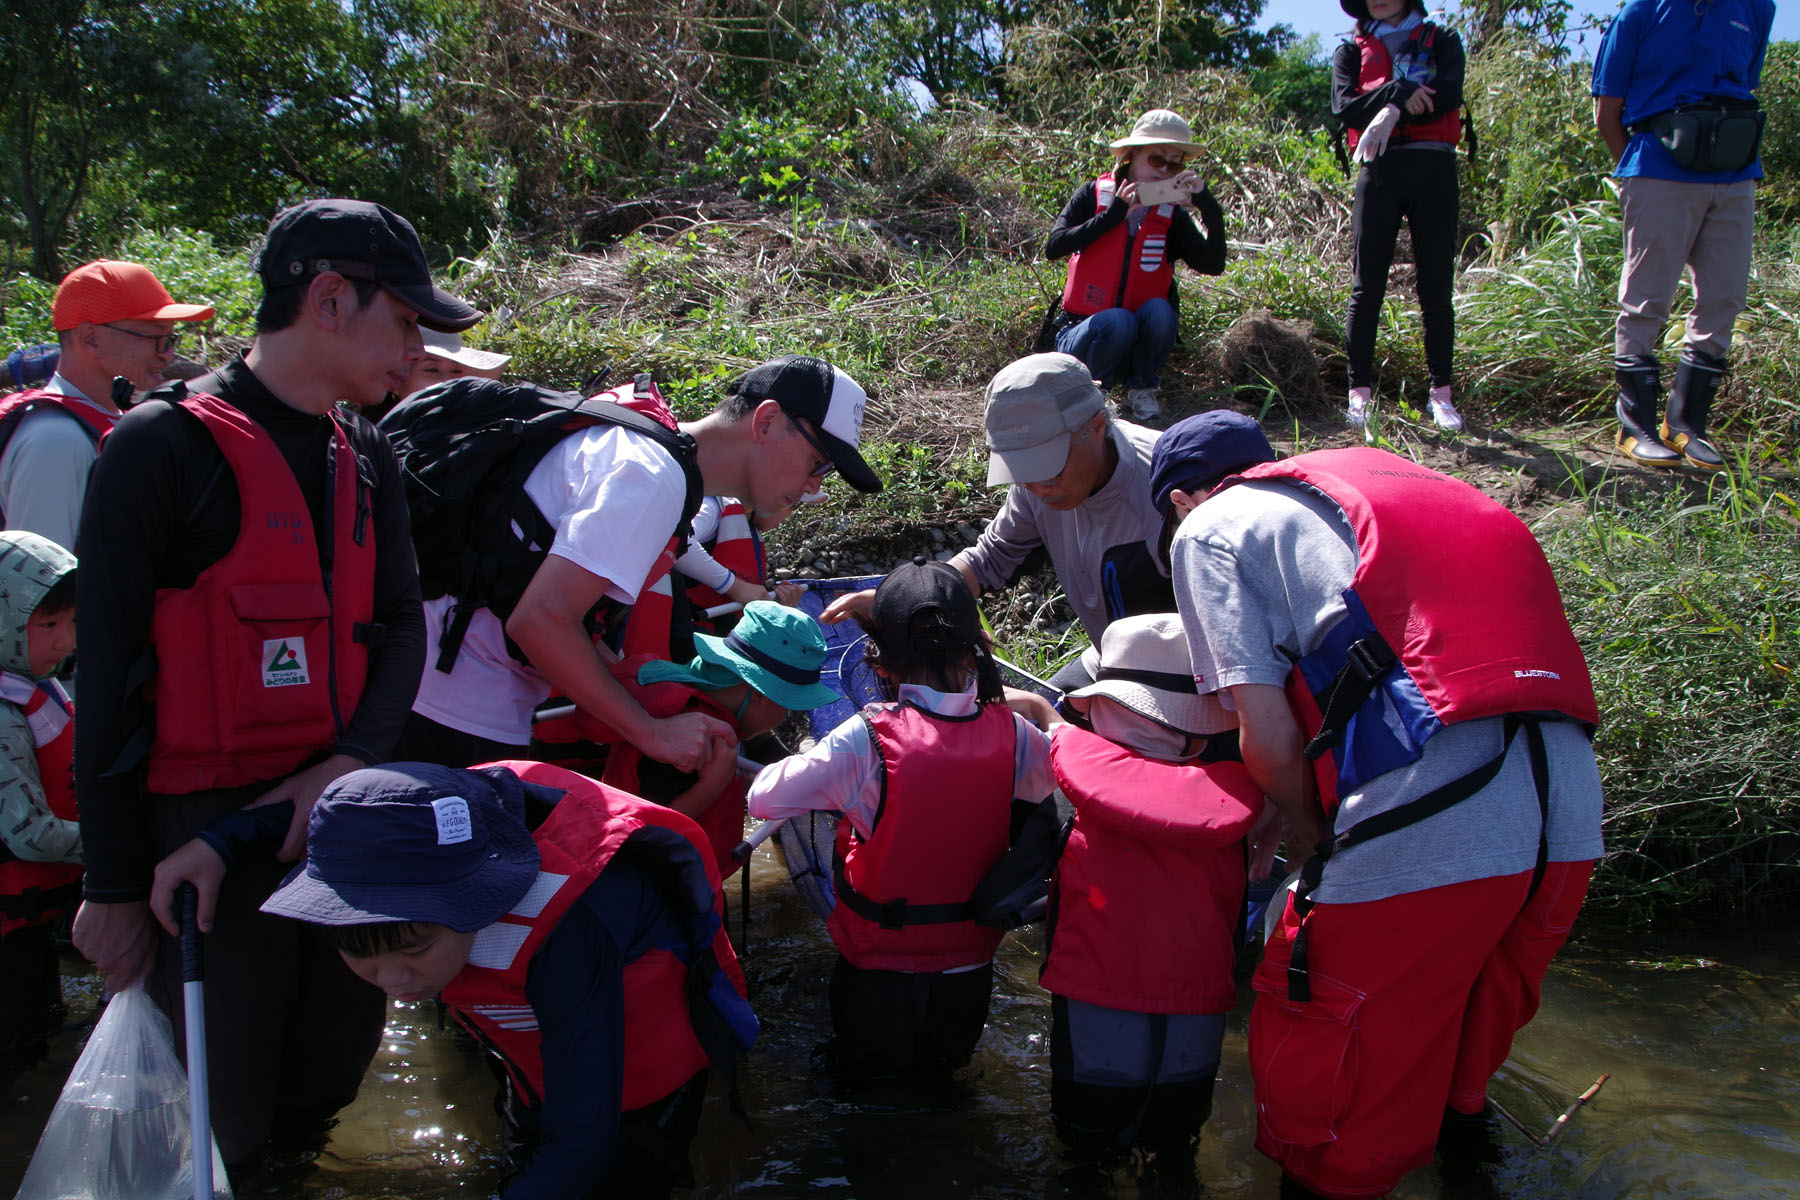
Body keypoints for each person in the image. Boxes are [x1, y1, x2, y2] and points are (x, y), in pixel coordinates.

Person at [70, 197, 476, 1173]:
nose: (417, 351)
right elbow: (107, 676)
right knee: (224, 1126)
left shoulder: (367, 454)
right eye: (407, 321)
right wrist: (114, 886)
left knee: (323, 1091)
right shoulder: (159, 450)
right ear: (330, 300)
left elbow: (400, 631)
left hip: (336, 821)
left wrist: (350, 762)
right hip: (196, 846)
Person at [1153, 412, 1604, 1199]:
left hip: (1432, 810)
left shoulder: (1209, 528)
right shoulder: (1389, 482)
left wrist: (1308, 829)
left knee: (1332, 1098)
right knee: (1458, 1072)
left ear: (1185, 500)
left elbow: (1265, 735)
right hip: (1565, 812)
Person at [148, 759, 758, 1200]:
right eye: (359, 955)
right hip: (538, 1059)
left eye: (414, 947)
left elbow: (583, 1140)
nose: (390, 980)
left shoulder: (567, 927)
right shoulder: (422, 822)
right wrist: (216, 844)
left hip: (632, 1081)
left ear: (480, 899)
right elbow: (330, 819)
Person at [402, 354, 881, 773]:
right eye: (819, 463)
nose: (816, 485)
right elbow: (541, 621)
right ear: (767, 421)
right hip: (451, 708)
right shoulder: (652, 476)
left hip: (436, 686)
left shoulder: (646, 449)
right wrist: (651, 732)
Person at [747, 558, 1054, 1079]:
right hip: (968, 973)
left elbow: (762, 800)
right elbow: (1058, 779)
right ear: (976, 654)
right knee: (946, 1092)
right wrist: (1043, 712)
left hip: (876, 973)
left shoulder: (864, 740)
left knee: (864, 1098)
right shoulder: (1019, 736)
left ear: (881, 669)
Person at [1009, 613, 1263, 1178]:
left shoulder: (1062, 779)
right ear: (1198, 729)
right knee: (1175, 1160)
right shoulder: (1248, 803)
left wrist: (1040, 714)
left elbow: (1066, 751)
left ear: (1101, 708)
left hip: (1099, 1017)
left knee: (1085, 1161)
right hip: (1194, 1024)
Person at [822, 353, 1171, 693]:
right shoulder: (1038, 488)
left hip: (1181, 679)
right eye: (1023, 473)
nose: (1036, 488)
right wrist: (903, 604)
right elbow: (992, 556)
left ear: (1095, 428)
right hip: (1107, 660)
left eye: (1048, 469)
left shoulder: (1170, 489)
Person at [1592, 0, 1773, 470]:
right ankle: (1635, 427)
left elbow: (1742, 84)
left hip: (1735, 171)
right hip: (1658, 165)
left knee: (1724, 297)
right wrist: (1639, 176)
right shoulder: (1640, 13)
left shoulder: (1757, 8)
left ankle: (1686, 425)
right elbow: (1607, 112)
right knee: (1646, 297)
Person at [597, 600, 842, 877]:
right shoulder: (683, 736)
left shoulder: (717, 701)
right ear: (760, 694)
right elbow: (643, 834)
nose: (784, 716)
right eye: (787, 705)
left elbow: (767, 756)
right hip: (655, 886)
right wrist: (712, 785)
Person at [0, 260, 214, 548]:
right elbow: (40, 588)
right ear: (91, 339)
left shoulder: (108, 417)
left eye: (171, 338)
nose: (168, 355)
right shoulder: (56, 441)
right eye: (155, 337)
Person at [1332, 0, 1467, 435]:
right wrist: (1397, 94)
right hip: (1379, 169)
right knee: (1365, 284)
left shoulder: (1442, 39)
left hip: (1433, 167)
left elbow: (1448, 92)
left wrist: (1388, 110)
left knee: (1435, 285)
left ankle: (1441, 394)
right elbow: (1345, 106)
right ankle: (1359, 393)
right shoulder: (1350, 51)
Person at [1042, 108, 1227, 421]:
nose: (1164, 170)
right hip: (1082, 335)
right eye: (1157, 159)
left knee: (1159, 313)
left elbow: (1213, 264)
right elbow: (1054, 246)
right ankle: (1092, 393)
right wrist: (1114, 215)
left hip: (1133, 346)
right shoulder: (1092, 194)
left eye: (1175, 163)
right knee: (1117, 321)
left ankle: (1141, 389)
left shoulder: (1173, 215)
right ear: (1132, 155)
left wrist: (1207, 205)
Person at [0, 531, 81, 1080]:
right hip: (7, 933)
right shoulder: (5, 711)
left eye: (70, 623)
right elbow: (26, 831)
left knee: (39, 1031)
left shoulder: (37, 685)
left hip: (30, 922)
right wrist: (118, 846)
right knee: (17, 1053)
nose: (63, 641)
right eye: (46, 626)